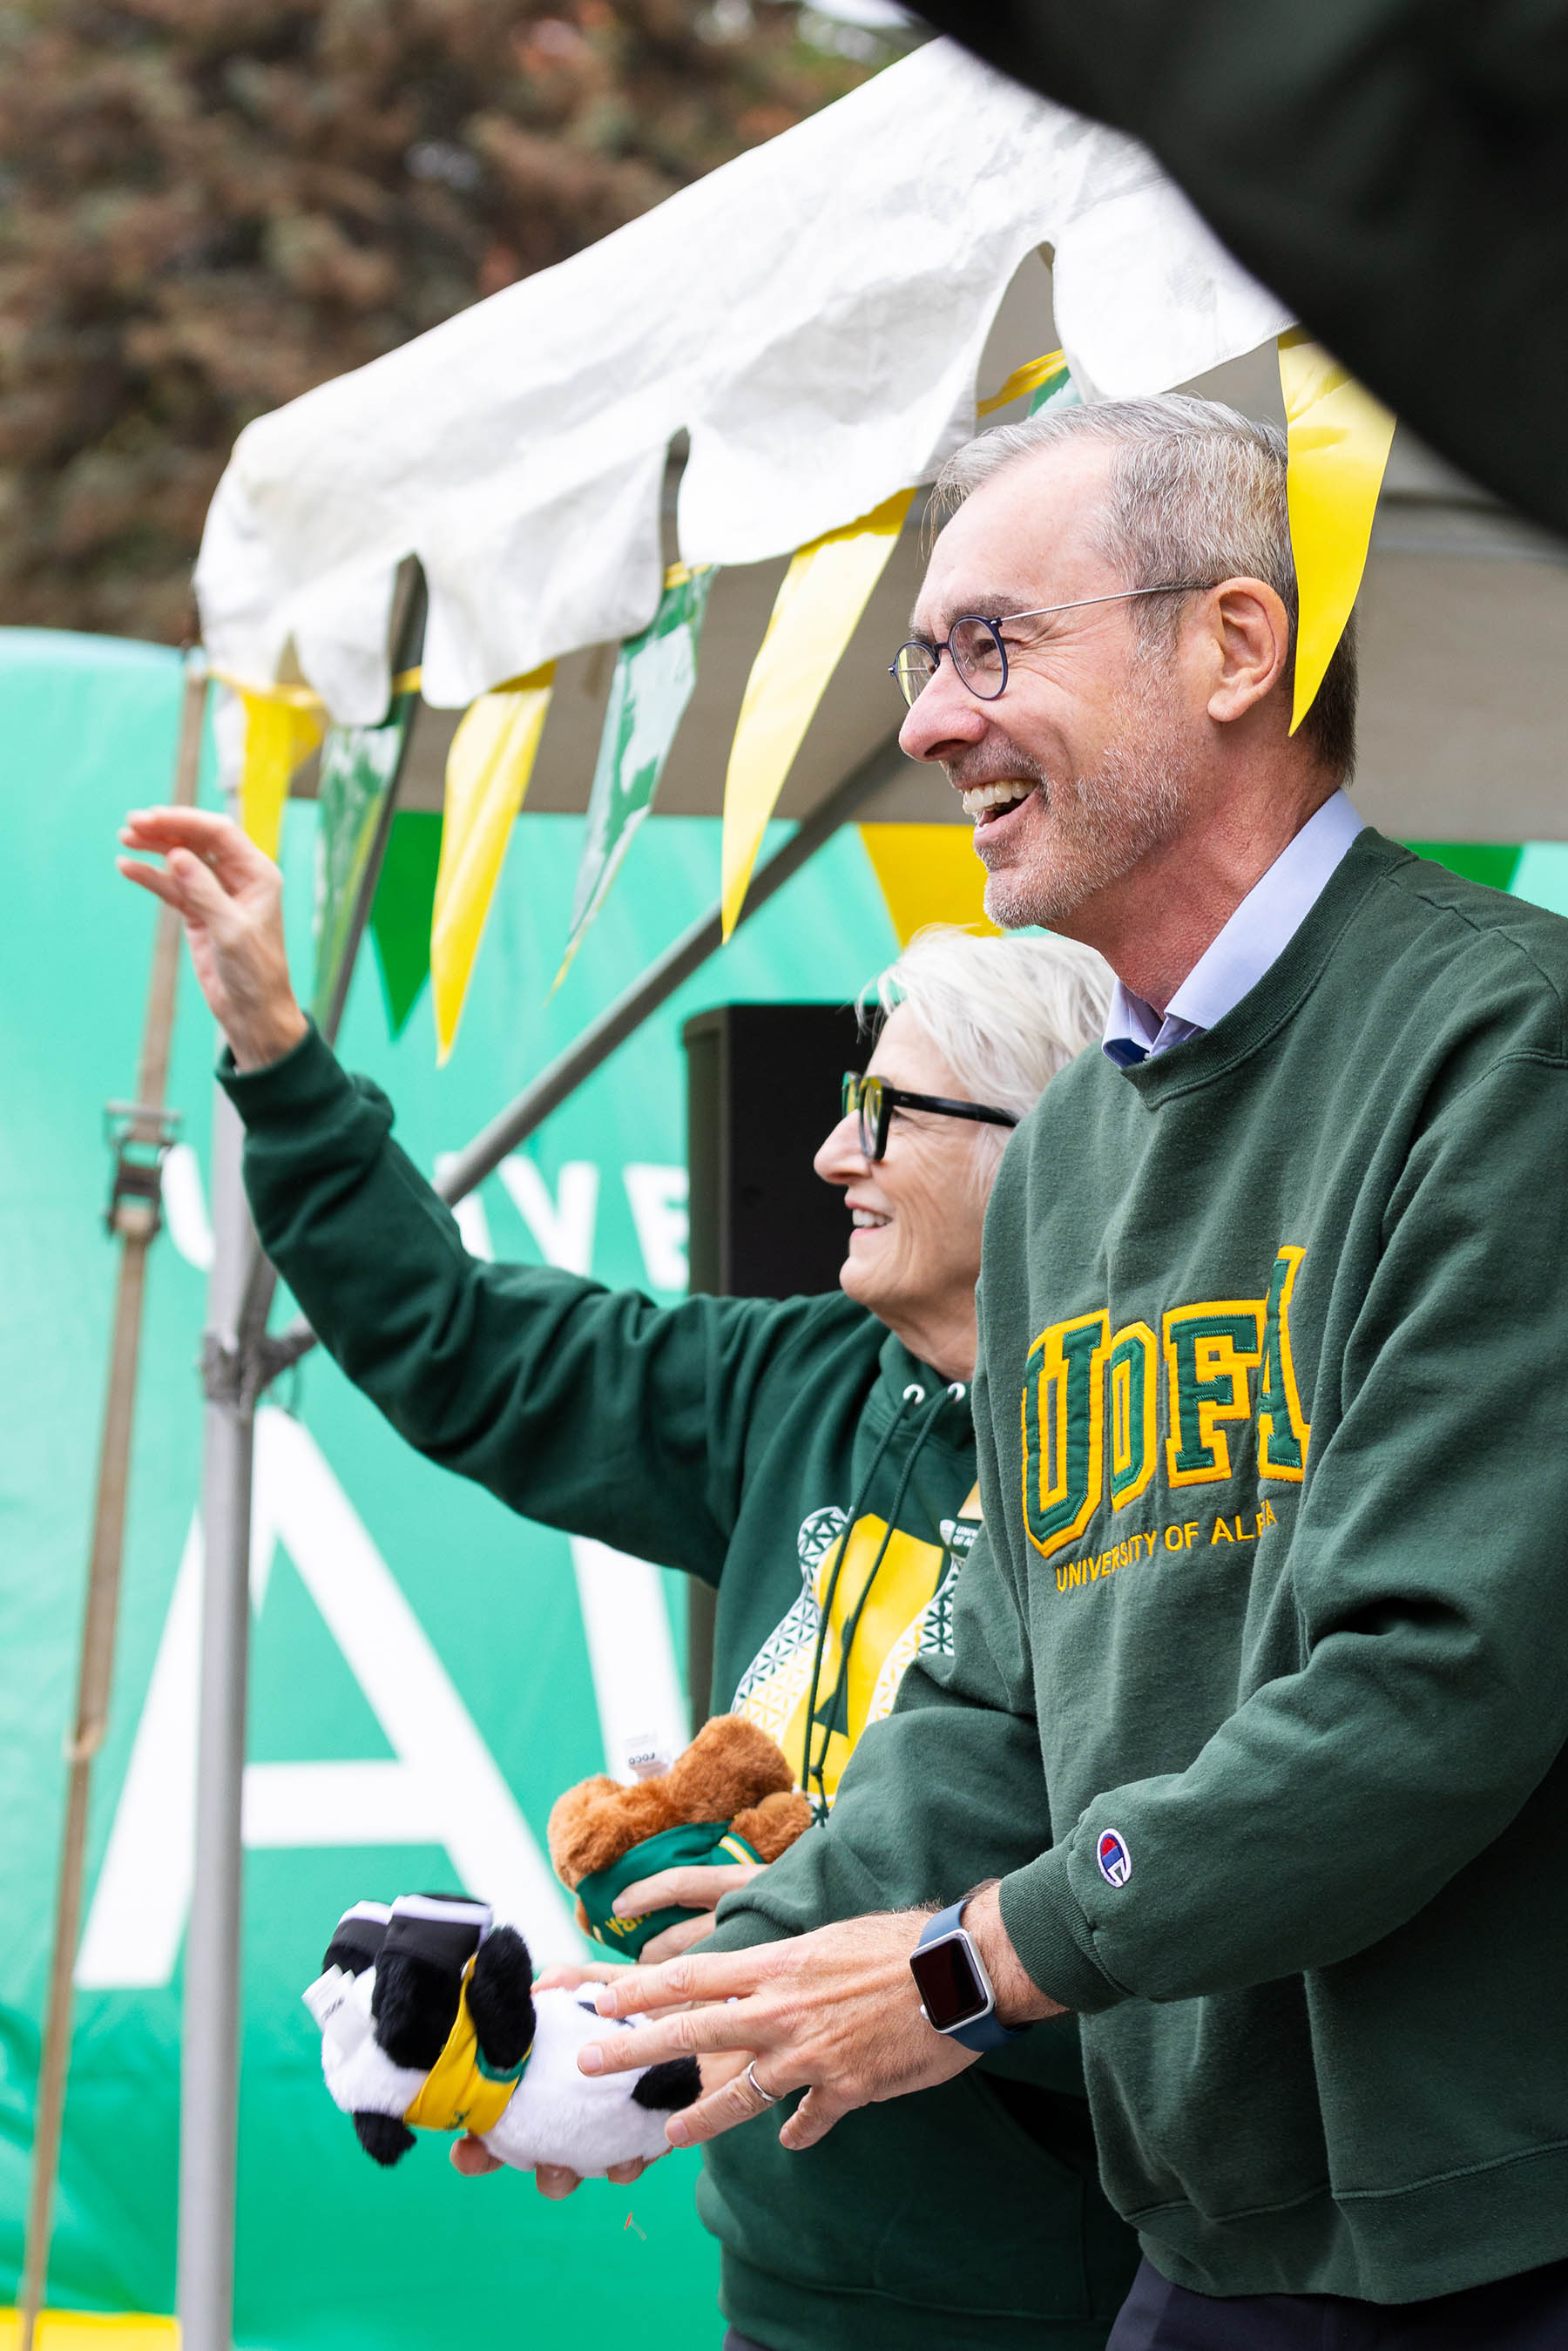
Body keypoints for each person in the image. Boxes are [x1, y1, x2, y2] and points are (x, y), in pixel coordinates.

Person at [573, 395, 1568, 2351]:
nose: (934, 722)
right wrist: (671, 2033)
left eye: (993, 646)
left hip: (1501, 2228)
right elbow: (989, 1697)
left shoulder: (1501, 1050)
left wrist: (970, 1970)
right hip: (1207, 2232)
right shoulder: (1077, 1157)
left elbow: (1431, 1680)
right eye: (927, 660)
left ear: (1234, 644)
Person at [113, 807, 1136, 2351]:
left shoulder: (1163, 1467)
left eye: (887, 1111)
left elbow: (1193, 1920)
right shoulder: (800, 1377)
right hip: (782, 2274)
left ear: (1046, 1143)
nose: (829, 1151)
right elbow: (462, 1346)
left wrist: (899, 1957)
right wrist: (274, 1043)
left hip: (1043, 2299)